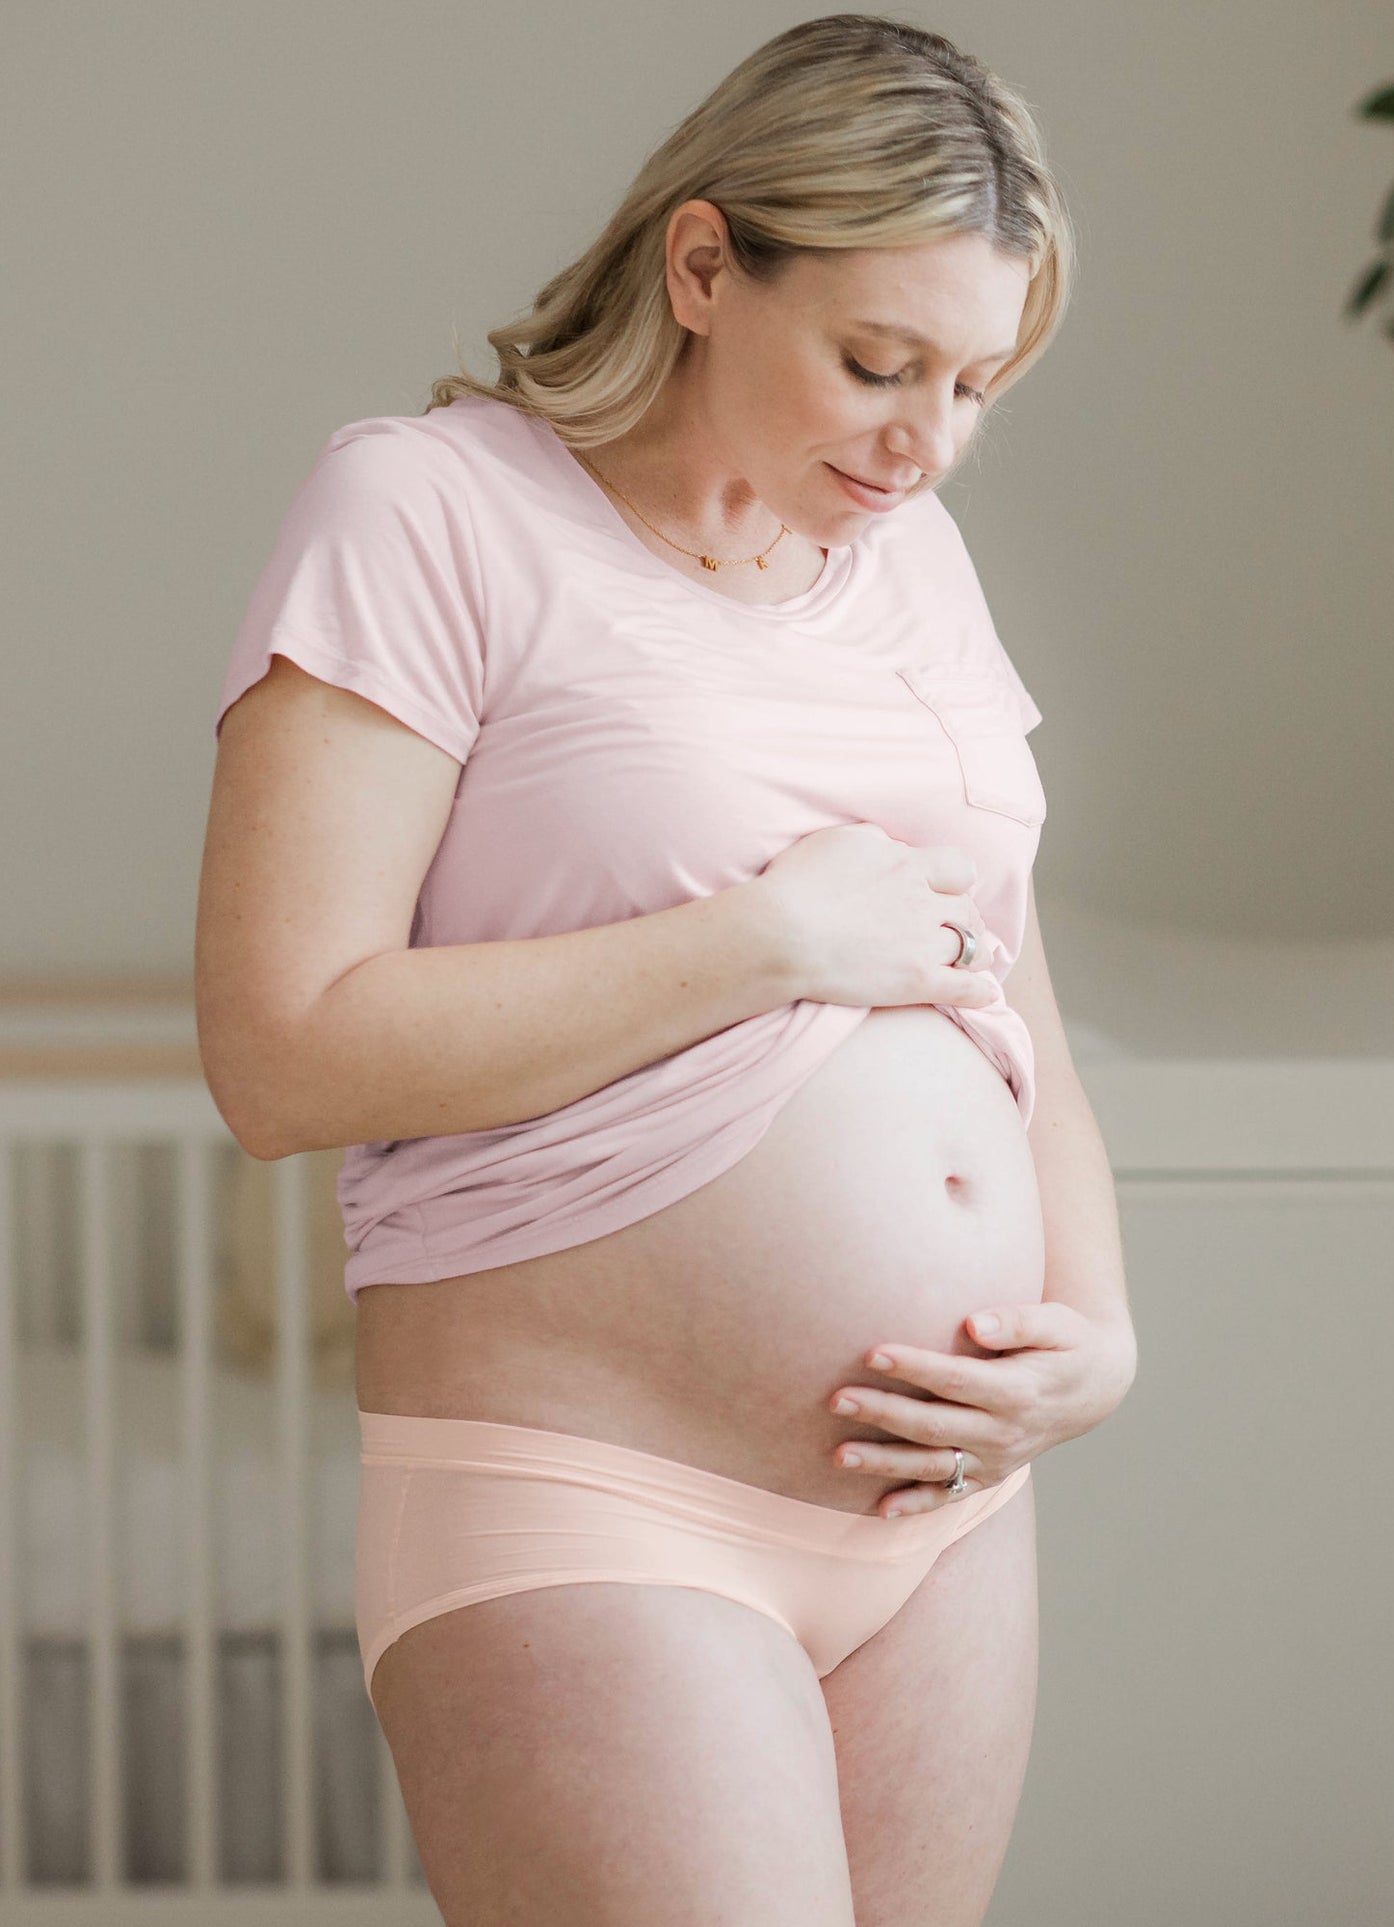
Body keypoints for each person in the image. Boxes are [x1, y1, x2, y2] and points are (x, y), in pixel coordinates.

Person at [197, 15, 1138, 1925]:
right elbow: (282, 1055)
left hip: (940, 1515)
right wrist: (765, 941)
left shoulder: (911, 559)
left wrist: (1098, 1331)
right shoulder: (432, 511)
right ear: (704, 266)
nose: (924, 442)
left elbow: (998, 991)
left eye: (976, 384)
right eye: (877, 363)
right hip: (591, 1504)